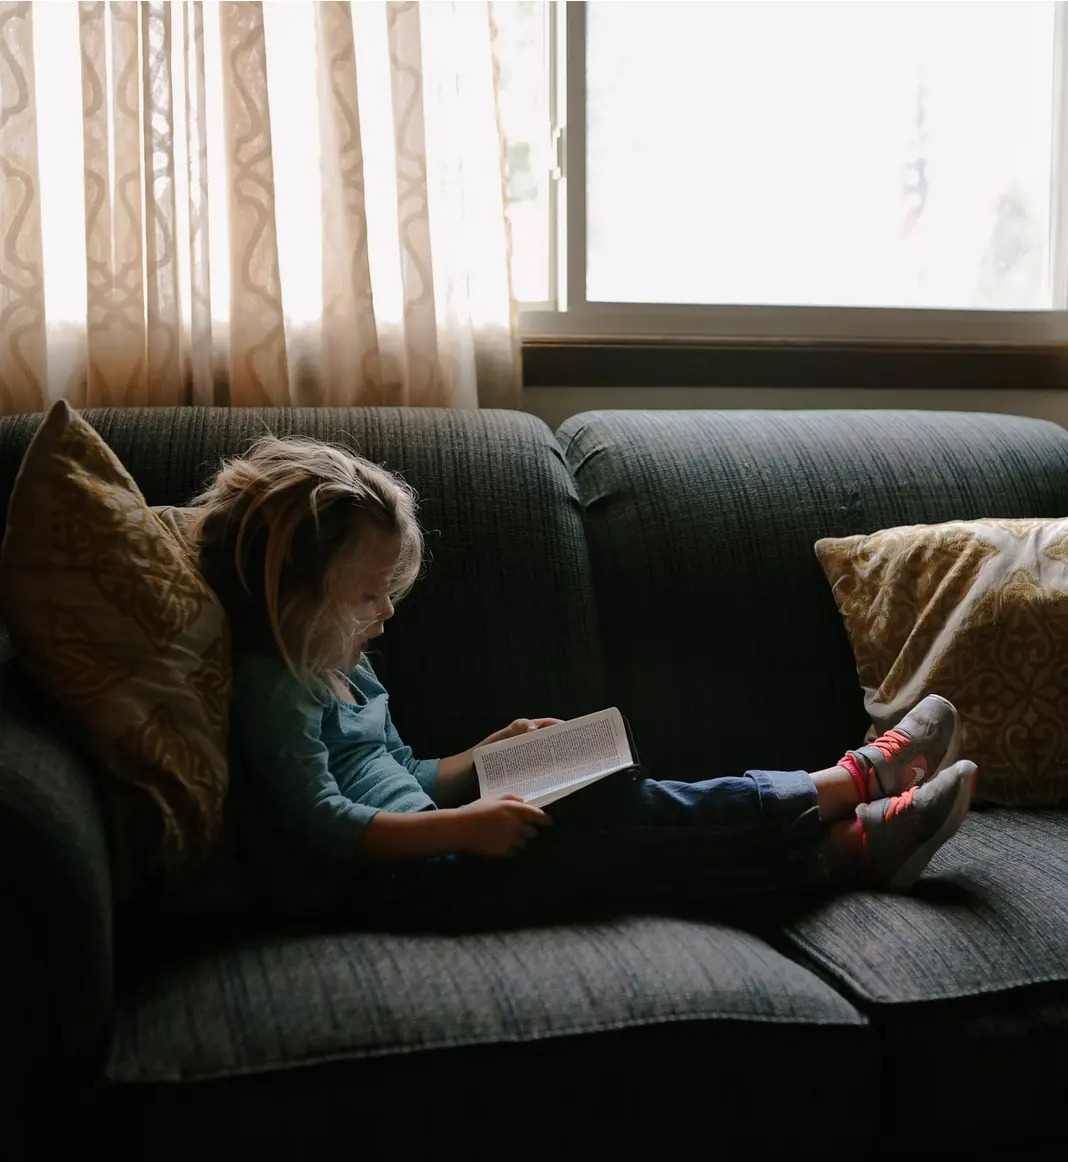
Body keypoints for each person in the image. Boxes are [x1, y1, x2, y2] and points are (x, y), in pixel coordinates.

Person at [190, 436, 977, 924]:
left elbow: (404, 776)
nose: (387, 613)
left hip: (435, 845)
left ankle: (849, 848)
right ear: (292, 593)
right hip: (405, 887)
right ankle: (852, 783)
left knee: (614, 802)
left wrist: (480, 756)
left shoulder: (343, 665)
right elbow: (325, 824)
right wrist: (466, 826)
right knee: (617, 817)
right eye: (366, 595)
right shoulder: (274, 688)